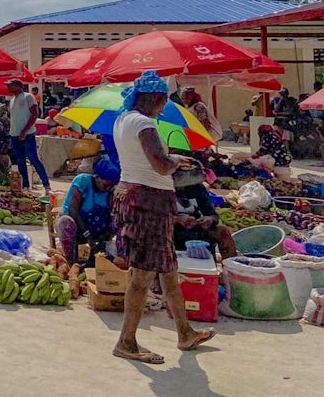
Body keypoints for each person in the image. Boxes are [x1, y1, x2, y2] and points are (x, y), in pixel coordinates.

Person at [111, 71, 214, 364]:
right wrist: (178, 161)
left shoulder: (123, 119)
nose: (163, 108)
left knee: (168, 269)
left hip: (137, 196)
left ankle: (184, 332)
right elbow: (160, 166)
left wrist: (173, 162)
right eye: (163, 102)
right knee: (142, 275)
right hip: (148, 203)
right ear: (156, 98)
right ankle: (126, 341)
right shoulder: (143, 124)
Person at [55, 156, 120, 265]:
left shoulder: (109, 192)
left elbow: (111, 214)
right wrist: (87, 234)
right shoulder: (83, 181)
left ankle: (96, 259)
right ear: (97, 177)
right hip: (77, 228)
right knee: (66, 222)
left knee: (117, 222)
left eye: (111, 186)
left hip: (95, 230)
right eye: (106, 185)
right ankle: (72, 264)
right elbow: (73, 210)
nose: (108, 188)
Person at [172, 158, 237, 260]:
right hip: (173, 232)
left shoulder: (198, 189)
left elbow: (214, 215)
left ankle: (230, 266)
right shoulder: (163, 190)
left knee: (222, 231)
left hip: (197, 231)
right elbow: (156, 220)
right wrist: (177, 220)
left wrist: (209, 219)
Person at [6, 80, 51, 191]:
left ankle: (46, 185)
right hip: (14, 134)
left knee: (33, 159)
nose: (8, 88)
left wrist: (25, 130)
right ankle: (25, 186)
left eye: (10, 86)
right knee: (20, 161)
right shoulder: (11, 100)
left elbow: (34, 114)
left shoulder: (28, 97)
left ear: (17, 86)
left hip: (27, 134)